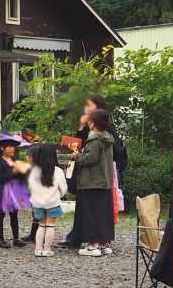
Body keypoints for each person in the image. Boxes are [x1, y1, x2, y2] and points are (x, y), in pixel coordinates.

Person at [60, 93, 128, 248]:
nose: (86, 109)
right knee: (89, 206)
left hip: (99, 173)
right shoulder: (91, 127)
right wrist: (80, 127)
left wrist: (79, 155)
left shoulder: (105, 128)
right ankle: (86, 238)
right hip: (92, 171)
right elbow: (80, 142)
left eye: (89, 106)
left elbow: (111, 151)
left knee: (95, 208)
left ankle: (95, 241)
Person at [70, 108, 115, 257]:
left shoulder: (94, 139)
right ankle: (104, 244)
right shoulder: (107, 137)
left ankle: (93, 245)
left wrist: (77, 155)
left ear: (94, 123)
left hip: (92, 182)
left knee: (91, 214)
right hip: (104, 182)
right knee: (103, 214)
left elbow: (90, 159)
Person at [0, 134, 31, 249]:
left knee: (14, 214)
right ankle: (0, 239)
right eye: (9, 146)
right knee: (1, 214)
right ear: (2, 148)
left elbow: (20, 175)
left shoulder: (14, 160)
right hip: (3, 191)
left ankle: (16, 238)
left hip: (14, 191)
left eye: (13, 147)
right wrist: (13, 172)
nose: (12, 149)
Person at [26, 143, 67, 257]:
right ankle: (47, 249)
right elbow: (63, 188)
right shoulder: (57, 171)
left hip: (38, 203)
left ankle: (38, 249)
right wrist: (59, 195)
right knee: (50, 226)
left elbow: (30, 187)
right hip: (52, 202)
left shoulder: (34, 170)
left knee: (41, 225)